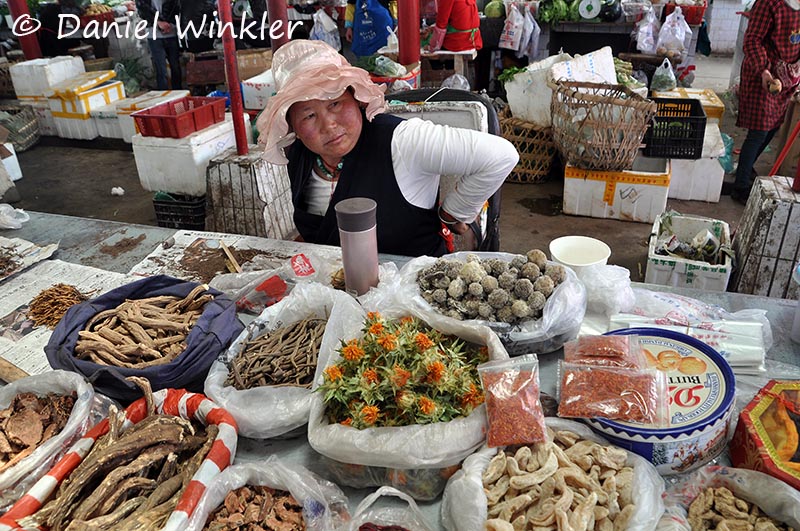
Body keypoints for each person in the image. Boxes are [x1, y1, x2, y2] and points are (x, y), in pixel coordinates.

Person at [256, 40, 518, 257]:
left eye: (335, 103)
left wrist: (455, 212)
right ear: (294, 128)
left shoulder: (403, 141)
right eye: (308, 115)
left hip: (415, 292)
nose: (329, 124)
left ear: (356, 99)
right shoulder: (301, 156)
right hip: (339, 291)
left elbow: (500, 156)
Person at [731, 0, 800, 204]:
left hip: (787, 76)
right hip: (764, 74)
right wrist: (764, 70)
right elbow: (752, 40)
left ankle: (746, 165)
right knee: (759, 131)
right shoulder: (770, 3)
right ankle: (740, 187)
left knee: (772, 127)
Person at [136, 0, 183, 90]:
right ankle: (164, 96)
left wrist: (169, 23)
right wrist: (157, 23)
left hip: (171, 32)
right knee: (161, 69)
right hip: (153, 35)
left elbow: (176, 7)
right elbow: (142, 10)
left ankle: (179, 94)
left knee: (175, 66)